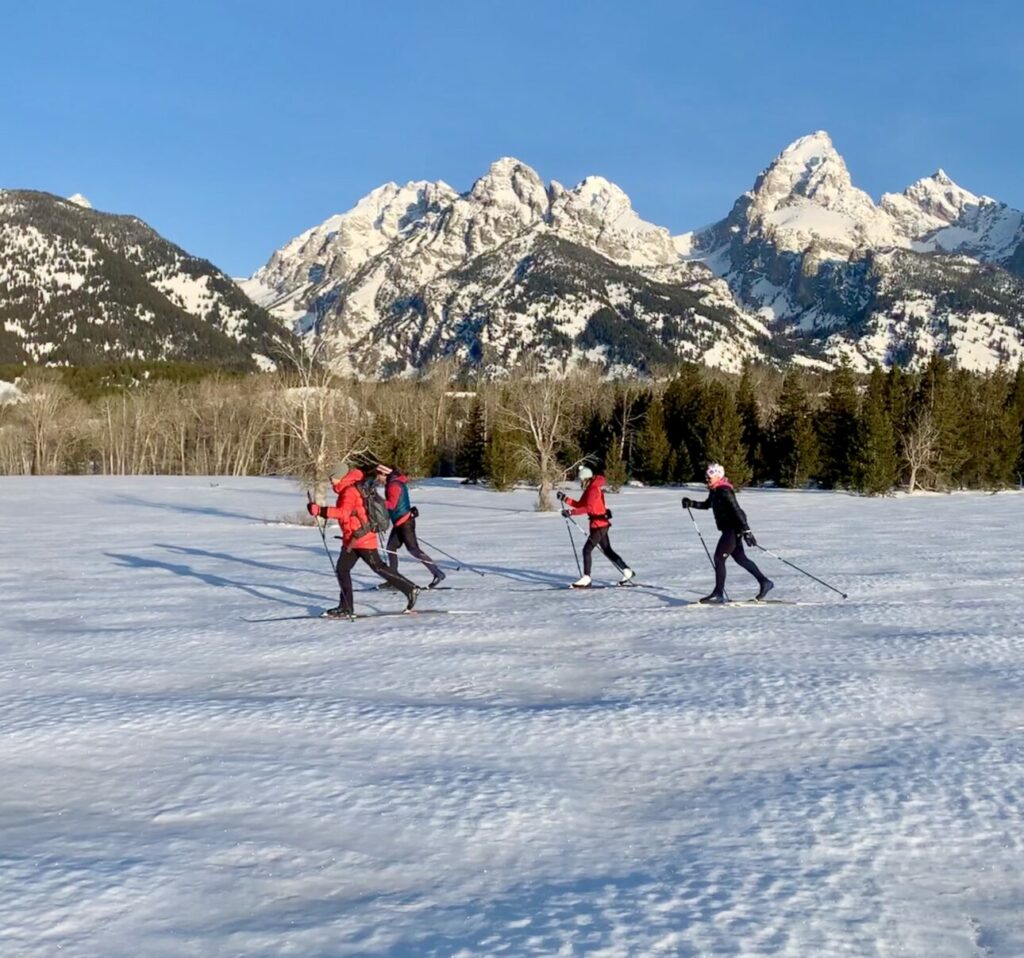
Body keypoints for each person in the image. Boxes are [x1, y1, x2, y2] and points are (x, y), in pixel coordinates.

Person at [307, 468, 419, 618]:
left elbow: (343, 513)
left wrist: (320, 511)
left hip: (362, 538)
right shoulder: (349, 488)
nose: (330, 481)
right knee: (342, 569)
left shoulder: (349, 491)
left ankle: (410, 588)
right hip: (352, 538)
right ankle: (346, 607)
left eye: (332, 478)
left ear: (340, 477)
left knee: (378, 567)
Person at [682, 462, 773, 604]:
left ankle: (718, 593)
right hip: (729, 529)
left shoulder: (724, 490)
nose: (707, 478)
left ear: (718, 476)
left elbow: (737, 511)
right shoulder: (715, 490)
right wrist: (691, 503)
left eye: (709, 476)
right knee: (741, 559)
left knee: (719, 558)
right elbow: (707, 505)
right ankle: (765, 582)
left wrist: (747, 531)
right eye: (706, 476)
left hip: (733, 529)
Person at [558, 466, 635, 588]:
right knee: (607, 550)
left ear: (586, 479)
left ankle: (586, 578)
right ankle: (627, 571)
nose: (581, 482)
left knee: (586, 550)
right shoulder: (590, 489)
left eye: (582, 480)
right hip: (598, 525)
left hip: (599, 525)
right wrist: (565, 498)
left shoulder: (593, 490)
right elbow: (579, 504)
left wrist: (571, 513)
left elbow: (588, 508)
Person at [376, 463, 446, 589]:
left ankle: (437, 573)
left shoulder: (393, 485)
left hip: (405, 522)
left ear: (384, 474)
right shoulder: (394, 482)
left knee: (414, 550)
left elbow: (391, 505)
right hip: (400, 522)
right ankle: (394, 579)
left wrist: (376, 501)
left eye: (379, 475)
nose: (378, 478)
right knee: (391, 548)